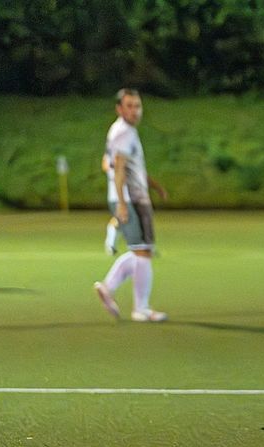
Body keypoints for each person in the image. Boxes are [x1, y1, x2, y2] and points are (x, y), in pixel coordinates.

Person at [93, 88, 169, 322]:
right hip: (129, 198)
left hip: (135, 196)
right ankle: (141, 308)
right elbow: (118, 171)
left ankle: (109, 288)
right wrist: (123, 204)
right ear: (119, 109)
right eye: (130, 106)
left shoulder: (125, 132)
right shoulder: (123, 133)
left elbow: (133, 168)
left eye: (137, 106)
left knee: (141, 250)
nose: (135, 111)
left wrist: (155, 187)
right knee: (143, 251)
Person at [101, 152, 126, 255]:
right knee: (118, 219)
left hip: (125, 195)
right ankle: (110, 244)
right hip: (115, 196)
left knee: (121, 222)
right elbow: (105, 166)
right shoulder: (110, 153)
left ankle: (111, 244)